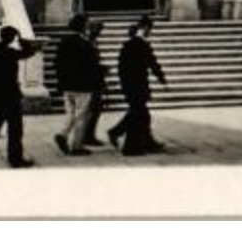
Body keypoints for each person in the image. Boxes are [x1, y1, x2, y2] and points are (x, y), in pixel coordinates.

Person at [0, 25, 40, 169]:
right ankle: (15, 158)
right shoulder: (9, 52)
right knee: (15, 129)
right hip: (10, 97)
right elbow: (28, 53)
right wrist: (22, 40)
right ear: (11, 38)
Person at [109, 17, 167, 156]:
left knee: (142, 115)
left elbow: (122, 68)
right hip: (136, 86)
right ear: (145, 28)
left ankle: (146, 142)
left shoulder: (130, 45)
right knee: (138, 115)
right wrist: (161, 77)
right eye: (149, 28)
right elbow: (152, 63)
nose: (150, 31)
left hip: (132, 85)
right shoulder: (140, 44)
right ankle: (130, 147)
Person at [54, 15, 101, 157]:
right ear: (83, 26)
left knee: (71, 113)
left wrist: (61, 81)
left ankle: (63, 134)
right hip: (83, 85)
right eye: (86, 24)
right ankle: (77, 146)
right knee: (82, 115)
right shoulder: (85, 43)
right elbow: (92, 64)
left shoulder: (64, 42)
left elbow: (57, 63)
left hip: (67, 84)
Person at [78, 20, 109, 148]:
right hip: (90, 81)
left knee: (96, 109)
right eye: (97, 30)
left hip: (96, 80)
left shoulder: (93, 42)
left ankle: (89, 135)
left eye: (100, 30)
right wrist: (101, 69)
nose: (99, 33)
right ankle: (86, 136)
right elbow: (88, 64)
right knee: (92, 109)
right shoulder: (86, 43)